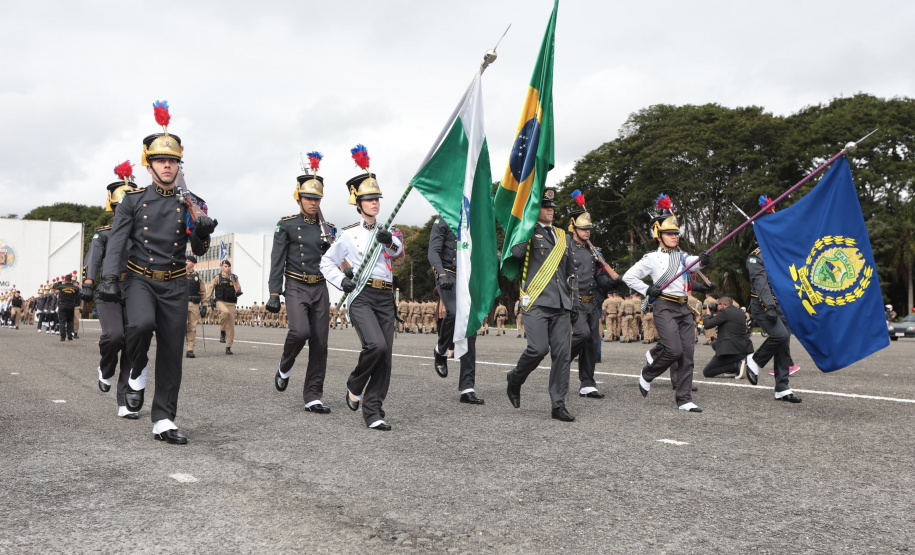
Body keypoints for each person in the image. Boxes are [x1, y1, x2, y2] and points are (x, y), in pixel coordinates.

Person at [97, 103, 216, 444]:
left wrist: (203, 232)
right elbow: (117, 243)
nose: (168, 165)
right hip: (139, 278)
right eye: (161, 160)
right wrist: (107, 279)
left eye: (173, 160)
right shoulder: (133, 201)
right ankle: (136, 368)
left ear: (179, 165)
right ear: (148, 165)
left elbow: (199, 249)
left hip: (176, 281)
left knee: (171, 353)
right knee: (139, 326)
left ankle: (164, 418)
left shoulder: (192, 202)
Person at [320, 147, 403, 431]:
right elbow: (326, 262)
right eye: (368, 199)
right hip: (361, 296)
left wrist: (388, 241)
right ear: (358, 203)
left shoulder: (389, 229)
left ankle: (373, 411)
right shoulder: (348, 234)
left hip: (385, 296)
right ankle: (356, 382)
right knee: (375, 345)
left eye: (377, 198)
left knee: (386, 357)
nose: (374, 203)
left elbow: (397, 252)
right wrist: (342, 281)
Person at [622, 199, 709, 412]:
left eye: (676, 233)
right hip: (664, 307)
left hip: (683, 308)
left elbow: (694, 263)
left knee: (688, 355)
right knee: (673, 350)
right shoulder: (651, 258)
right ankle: (648, 373)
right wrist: (647, 289)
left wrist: (704, 259)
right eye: (670, 233)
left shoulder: (682, 256)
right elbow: (629, 276)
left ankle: (684, 399)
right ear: (658, 235)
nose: (674, 236)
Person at [266, 158, 333, 414]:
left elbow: (340, 262)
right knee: (300, 332)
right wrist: (274, 292)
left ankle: (313, 395)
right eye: (308, 198)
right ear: (299, 199)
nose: (313, 203)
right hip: (295, 285)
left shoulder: (329, 230)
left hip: (320, 288)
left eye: (317, 199)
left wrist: (334, 254)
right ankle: (285, 364)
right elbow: (277, 261)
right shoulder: (287, 225)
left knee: (320, 343)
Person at [505, 189, 579, 422]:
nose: (550, 210)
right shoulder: (527, 231)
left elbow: (569, 273)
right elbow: (514, 255)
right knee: (538, 349)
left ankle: (558, 404)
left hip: (561, 303)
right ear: (535, 210)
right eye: (545, 206)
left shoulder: (562, 236)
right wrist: (526, 228)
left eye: (552, 207)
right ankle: (515, 378)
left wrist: (573, 301)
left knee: (562, 355)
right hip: (536, 300)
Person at [81, 168, 138, 418]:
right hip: (109, 291)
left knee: (133, 346)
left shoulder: (142, 236)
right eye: (118, 208)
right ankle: (105, 369)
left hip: (136, 291)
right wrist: (88, 283)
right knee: (115, 337)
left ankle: (124, 402)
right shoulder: (104, 234)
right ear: (113, 208)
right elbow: (93, 260)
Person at [428, 215, 483, 405]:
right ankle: (441, 350)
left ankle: (467, 388)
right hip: (448, 275)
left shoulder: (474, 221)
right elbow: (433, 252)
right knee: (452, 311)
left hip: (468, 277)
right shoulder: (441, 221)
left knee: (471, 330)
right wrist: (441, 274)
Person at [567, 209, 621, 399]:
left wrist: (615, 282)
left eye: (589, 228)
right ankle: (562, 358)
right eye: (583, 228)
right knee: (583, 334)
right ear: (573, 228)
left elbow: (600, 280)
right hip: (574, 302)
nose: (587, 232)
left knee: (592, 342)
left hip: (591, 302)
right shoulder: (565, 248)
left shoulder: (594, 251)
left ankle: (587, 383)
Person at [745, 245, 802, 402]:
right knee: (780, 335)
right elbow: (761, 284)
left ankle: (782, 387)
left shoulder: (781, 251)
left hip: (782, 305)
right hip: (763, 305)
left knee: (784, 344)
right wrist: (769, 306)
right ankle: (755, 361)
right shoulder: (755, 257)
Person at [699, 294, 753, 378]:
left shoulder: (724, 312)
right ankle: (733, 365)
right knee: (714, 344)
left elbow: (707, 325)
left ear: (723, 305)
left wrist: (708, 314)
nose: (716, 307)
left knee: (707, 372)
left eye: (718, 305)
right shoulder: (739, 312)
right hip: (743, 349)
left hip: (731, 351)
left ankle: (735, 366)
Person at [204, 259, 241, 355]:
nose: (227, 268)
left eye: (229, 266)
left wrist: (236, 285)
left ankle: (228, 347)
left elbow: (239, 290)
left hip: (231, 303)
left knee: (231, 327)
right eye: (225, 266)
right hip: (220, 301)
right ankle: (222, 331)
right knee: (225, 312)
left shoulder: (234, 277)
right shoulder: (218, 277)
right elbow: (211, 289)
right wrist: (205, 303)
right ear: (222, 267)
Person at [184, 255, 206, 358]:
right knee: (181, 326)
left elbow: (203, 292)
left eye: (188, 261)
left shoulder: (198, 276)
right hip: (182, 303)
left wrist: (204, 305)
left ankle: (190, 349)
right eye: (186, 261)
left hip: (194, 304)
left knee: (192, 327)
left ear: (193, 263)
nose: (186, 262)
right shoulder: (180, 275)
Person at [53, 274, 80, 341]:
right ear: (71, 280)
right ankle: (70, 336)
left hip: (62, 305)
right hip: (71, 305)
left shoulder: (61, 286)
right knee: (70, 321)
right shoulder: (75, 288)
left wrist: (60, 281)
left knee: (62, 321)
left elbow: (54, 286)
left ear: (65, 280)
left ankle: (63, 337)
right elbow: (77, 296)